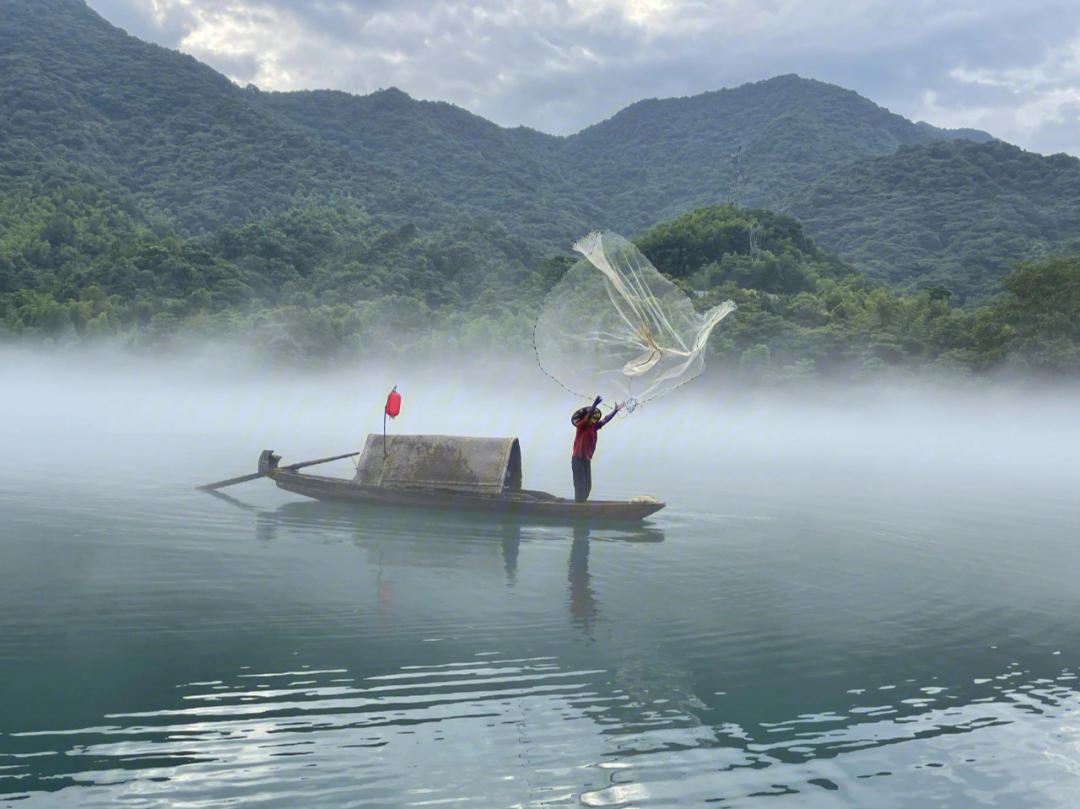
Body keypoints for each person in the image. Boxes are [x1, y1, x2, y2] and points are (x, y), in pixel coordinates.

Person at [570, 395, 623, 503]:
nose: (590, 418)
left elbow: (605, 420)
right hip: (578, 459)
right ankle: (578, 506)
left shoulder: (594, 427)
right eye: (589, 416)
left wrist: (615, 410)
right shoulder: (581, 425)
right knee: (580, 486)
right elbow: (588, 417)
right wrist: (594, 404)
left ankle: (580, 504)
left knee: (588, 487)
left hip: (586, 460)